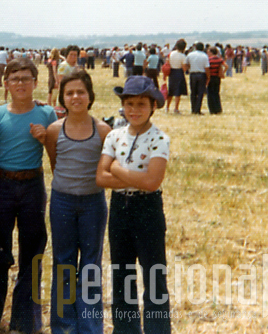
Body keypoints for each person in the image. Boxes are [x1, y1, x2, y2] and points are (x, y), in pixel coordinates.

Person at [0, 57, 57, 334]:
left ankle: (26, 318)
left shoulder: (46, 115)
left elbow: (56, 156)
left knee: (33, 254)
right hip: (2, 186)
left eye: (26, 78)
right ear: (6, 84)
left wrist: (46, 139)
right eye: (15, 79)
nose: (21, 83)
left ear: (35, 83)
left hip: (33, 185)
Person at [96, 76, 171, 334]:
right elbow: (100, 177)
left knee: (154, 274)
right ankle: (125, 329)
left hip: (147, 209)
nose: (134, 110)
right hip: (119, 209)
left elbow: (152, 182)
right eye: (129, 104)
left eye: (141, 104)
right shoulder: (115, 136)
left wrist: (116, 168)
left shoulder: (159, 139)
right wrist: (131, 177)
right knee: (122, 274)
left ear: (153, 106)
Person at [45, 69, 111, 334]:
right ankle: (63, 326)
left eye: (80, 92)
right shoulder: (54, 130)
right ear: (62, 97)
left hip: (93, 203)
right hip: (62, 202)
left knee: (91, 264)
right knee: (63, 261)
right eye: (69, 92)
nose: (75, 97)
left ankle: (90, 326)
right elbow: (55, 163)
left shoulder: (103, 131)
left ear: (90, 95)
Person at [185, 42, 210, 115]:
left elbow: (186, 64)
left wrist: (190, 68)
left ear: (195, 47)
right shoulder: (204, 56)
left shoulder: (190, 54)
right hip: (201, 75)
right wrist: (208, 77)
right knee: (200, 93)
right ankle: (197, 109)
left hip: (192, 74)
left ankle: (193, 109)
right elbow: (207, 68)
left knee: (193, 92)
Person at [165, 39, 188, 114]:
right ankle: (176, 108)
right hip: (179, 72)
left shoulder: (171, 53)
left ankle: (167, 107)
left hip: (171, 72)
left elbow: (167, 62)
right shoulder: (182, 56)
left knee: (171, 91)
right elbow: (184, 68)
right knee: (178, 91)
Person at [207, 46, 228, 115]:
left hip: (211, 77)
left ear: (211, 52)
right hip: (217, 78)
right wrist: (222, 72)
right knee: (216, 93)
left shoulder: (209, 60)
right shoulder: (219, 59)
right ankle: (218, 108)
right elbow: (226, 66)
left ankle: (212, 109)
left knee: (210, 94)